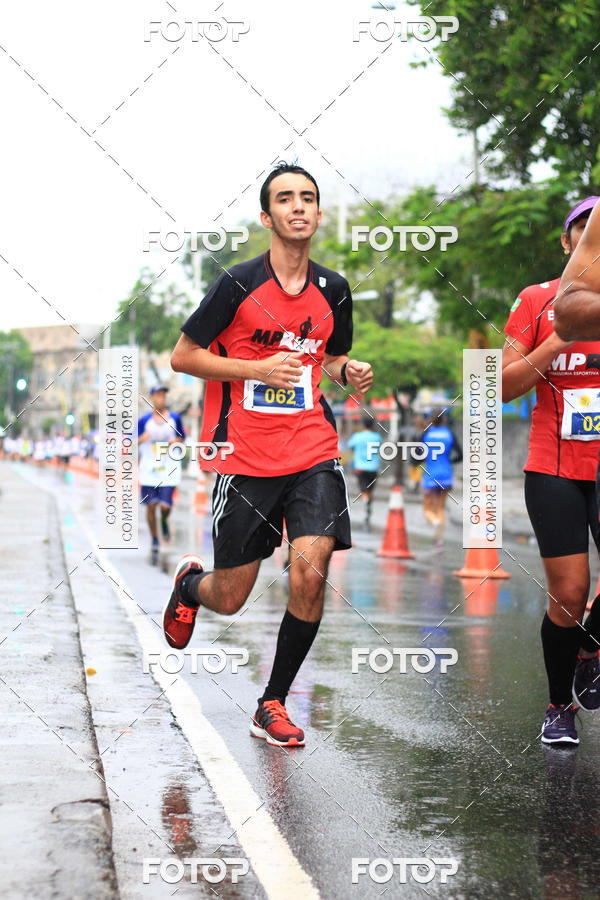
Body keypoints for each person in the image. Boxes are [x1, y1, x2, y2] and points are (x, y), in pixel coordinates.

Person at [165, 162, 373, 747]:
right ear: (267, 216)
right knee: (230, 597)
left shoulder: (334, 289)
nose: (299, 207)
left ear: (318, 213)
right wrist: (255, 368)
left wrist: (345, 369)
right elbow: (184, 356)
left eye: (308, 198)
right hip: (244, 456)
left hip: (312, 447)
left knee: (311, 571)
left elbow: (327, 358)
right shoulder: (237, 285)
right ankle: (189, 588)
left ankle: (272, 701)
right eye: (286, 200)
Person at [504, 196, 600, 746]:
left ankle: (591, 645)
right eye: (583, 233)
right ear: (568, 245)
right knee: (569, 589)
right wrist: (559, 336)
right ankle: (559, 705)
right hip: (555, 464)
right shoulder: (539, 301)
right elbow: (499, 384)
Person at [138, 386, 186, 564]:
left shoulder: (175, 418)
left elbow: (183, 438)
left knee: (165, 507)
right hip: (149, 470)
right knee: (151, 506)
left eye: (164, 395)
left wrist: (176, 440)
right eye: (158, 395)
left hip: (169, 469)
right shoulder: (144, 421)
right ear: (151, 398)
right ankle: (155, 539)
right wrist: (141, 439)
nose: (161, 398)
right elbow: (131, 440)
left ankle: (164, 521)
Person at [420, 410, 461, 545]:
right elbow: (460, 454)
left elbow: (418, 454)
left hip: (430, 476)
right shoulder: (449, 434)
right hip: (446, 475)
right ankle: (439, 539)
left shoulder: (426, 434)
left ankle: (435, 522)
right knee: (440, 508)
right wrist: (449, 462)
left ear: (431, 420)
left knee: (427, 509)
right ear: (443, 420)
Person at [348, 415, 381, 529]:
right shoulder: (377, 437)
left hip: (360, 467)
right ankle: (368, 506)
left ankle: (366, 502)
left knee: (363, 489)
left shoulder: (357, 436)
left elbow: (350, 446)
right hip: (373, 467)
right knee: (370, 489)